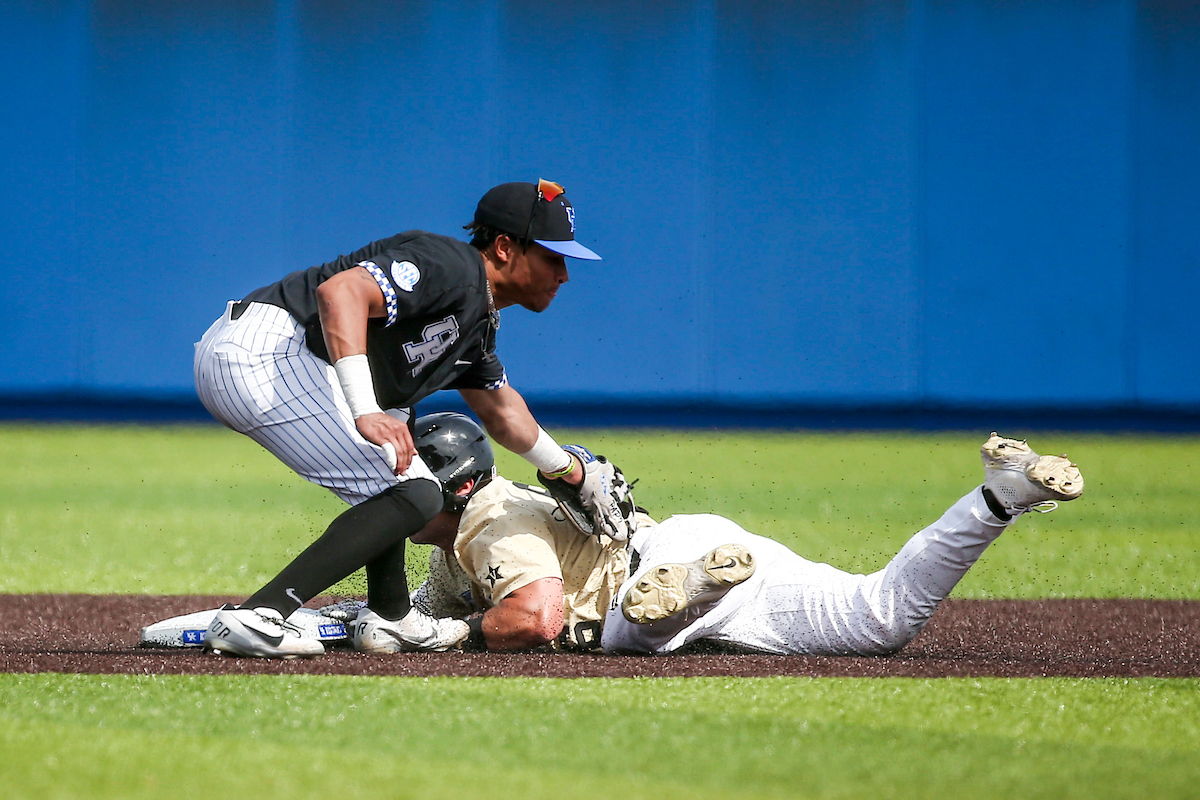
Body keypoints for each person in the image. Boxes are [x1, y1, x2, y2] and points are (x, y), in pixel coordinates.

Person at [194, 180, 634, 660]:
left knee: (398, 473)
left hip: (276, 359)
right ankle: (262, 615)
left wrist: (568, 470)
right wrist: (365, 410)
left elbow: (502, 411)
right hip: (267, 350)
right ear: (505, 247)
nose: (564, 274)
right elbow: (340, 292)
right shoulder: (453, 266)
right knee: (413, 489)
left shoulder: (476, 323)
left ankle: (390, 616)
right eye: (553, 256)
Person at [404, 414, 1085, 655]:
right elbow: (425, 610)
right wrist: (396, 620)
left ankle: (685, 594)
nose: (393, 493)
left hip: (648, 576)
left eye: (404, 478)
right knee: (879, 618)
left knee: (618, 630)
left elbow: (536, 616)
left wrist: (462, 634)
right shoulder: (459, 544)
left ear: (452, 481)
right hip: (699, 540)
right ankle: (999, 496)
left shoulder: (489, 519)